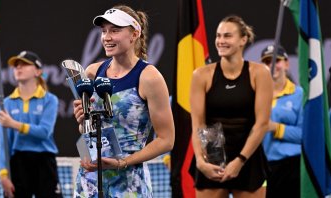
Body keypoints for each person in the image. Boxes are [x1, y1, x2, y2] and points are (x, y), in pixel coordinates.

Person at [72, 5, 175, 198]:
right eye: (104, 31)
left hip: (129, 185)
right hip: (90, 182)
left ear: (135, 34)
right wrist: (82, 121)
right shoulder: (92, 72)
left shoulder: (150, 77)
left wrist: (123, 162)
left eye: (115, 30)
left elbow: (166, 140)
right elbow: (86, 131)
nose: (106, 37)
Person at [189, 15, 273, 198]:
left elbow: (262, 124)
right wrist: (200, 162)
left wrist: (239, 161)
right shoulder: (200, 75)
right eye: (218, 36)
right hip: (212, 159)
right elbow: (198, 124)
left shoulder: (260, 73)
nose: (220, 41)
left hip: (248, 159)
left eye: (227, 36)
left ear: (243, 40)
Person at [0, 50, 62, 198]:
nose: (18, 68)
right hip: (18, 164)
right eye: (16, 65)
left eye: (25, 64)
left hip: (44, 162)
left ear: (38, 71)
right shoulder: (6, 103)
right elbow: (4, 143)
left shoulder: (50, 100)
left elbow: (44, 132)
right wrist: (3, 174)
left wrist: (14, 124)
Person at [261, 45, 303, 198]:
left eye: (276, 60)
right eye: (266, 62)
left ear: (286, 63)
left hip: (291, 167)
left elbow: (305, 134)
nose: (272, 65)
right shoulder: (255, 95)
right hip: (262, 167)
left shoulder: (300, 94)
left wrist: (275, 128)